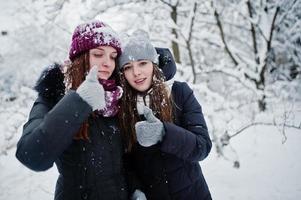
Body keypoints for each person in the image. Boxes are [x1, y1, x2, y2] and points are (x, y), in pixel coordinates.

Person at [15, 20, 143, 200]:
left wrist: (135, 187)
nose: (108, 63)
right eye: (98, 54)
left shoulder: (116, 98)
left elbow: (123, 160)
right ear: (80, 58)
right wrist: (79, 101)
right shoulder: (53, 97)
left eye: (113, 56)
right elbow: (32, 156)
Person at [118, 31, 212, 200]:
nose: (136, 72)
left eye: (142, 63)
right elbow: (125, 161)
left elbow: (202, 146)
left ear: (154, 64)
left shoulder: (179, 92)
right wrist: (135, 189)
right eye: (128, 67)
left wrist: (164, 133)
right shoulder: (122, 108)